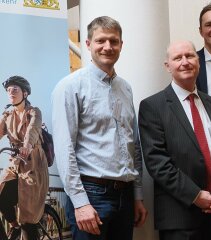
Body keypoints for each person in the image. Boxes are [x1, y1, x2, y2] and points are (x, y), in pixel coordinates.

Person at [51, 16, 147, 240]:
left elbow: (135, 146)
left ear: (121, 45)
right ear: (88, 44)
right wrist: (80, 202)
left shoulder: (126, 88)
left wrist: (138, 196)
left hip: (125, 195)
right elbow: (64, 149)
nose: (107, 47)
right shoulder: (70, 87)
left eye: (114, 41)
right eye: (101, 40)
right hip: (91, 195)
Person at [139, 40, 211, 240]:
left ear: (198, 61)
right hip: (179, 217)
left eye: (190, 56)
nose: (185, 62)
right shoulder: (153, 106)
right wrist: (196, 196)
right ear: (168, 66)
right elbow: (157, 163)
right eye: (177, 58)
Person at [0, 76, 48, 240]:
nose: (11, 92)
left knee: (28, 218)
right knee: (1, 197)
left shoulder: (34, 112)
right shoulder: (7, 115)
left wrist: (26, 146)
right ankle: (14, 226)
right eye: (8, 90)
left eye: (15, 89)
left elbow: (32, 131)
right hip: (15, 164)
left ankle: (26, 229)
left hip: (33, 164)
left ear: (25, 93)